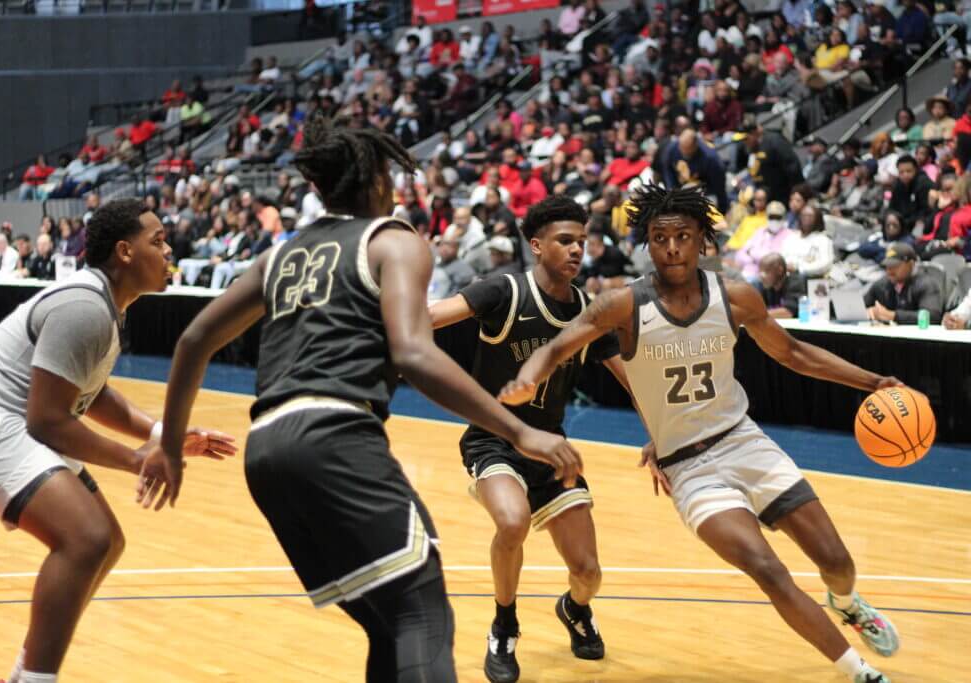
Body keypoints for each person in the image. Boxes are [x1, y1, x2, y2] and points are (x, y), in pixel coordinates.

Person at [141, 117, 582, 683]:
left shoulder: (282, 254)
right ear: (377, 179)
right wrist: (519, 431)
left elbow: (193, 339)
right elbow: (414, 354)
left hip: (266, 452)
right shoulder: (393, 240)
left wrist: (171, 447)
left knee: (388, 623)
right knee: (423, 615)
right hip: (334, 434)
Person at [499, 184, 901, 683]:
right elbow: (558, 346)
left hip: (744, 441)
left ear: (700, 241)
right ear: (647, 242)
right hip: (688, 468)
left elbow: (793, 353)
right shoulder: (622, 305)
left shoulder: (733, 296)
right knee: (766, 567)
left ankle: (846, 602)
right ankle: (858, 671)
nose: (671, 247)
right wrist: (527, 378)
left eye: (683, 236)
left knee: (837, 561)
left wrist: (873, 382)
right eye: (660, 237)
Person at [0, 199, 235, 683]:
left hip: (6, 420)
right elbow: (49, 423)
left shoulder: (103, 304)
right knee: (86, 538)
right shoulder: (84, 307)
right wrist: (138, 459)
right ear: (124, 251)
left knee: (107, 541)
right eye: (158, 241)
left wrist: (162, 436)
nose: (170, 251)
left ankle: (21, 676)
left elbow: (91, 393)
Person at [429, 196, 630, 683]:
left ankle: (575, 610)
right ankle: (504, 624)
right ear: (537, 246)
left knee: (589, 573)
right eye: (565, 241)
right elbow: (434, 315)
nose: (577, 250)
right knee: (512, 522)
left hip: (552, 447)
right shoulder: (503, 290)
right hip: (493, 439)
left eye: (582, 241)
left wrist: (663, 435)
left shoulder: (589, 310)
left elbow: (626, 375)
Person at [863, 242, 943, 324]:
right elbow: (862, 305)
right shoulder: (882, 284)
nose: (889, 271)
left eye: (894, 266)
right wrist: (868, 312)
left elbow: (933, 316)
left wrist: (893, 316)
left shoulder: (927, 284)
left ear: (911, 264)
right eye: (887, 266)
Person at [756, 252, 806, 317]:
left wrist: (756, 315)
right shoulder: (765, 285)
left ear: (780, 270)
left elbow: (788, 312)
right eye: (760, 272)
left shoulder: (795, 282)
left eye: (766, 271)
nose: (762, 276)